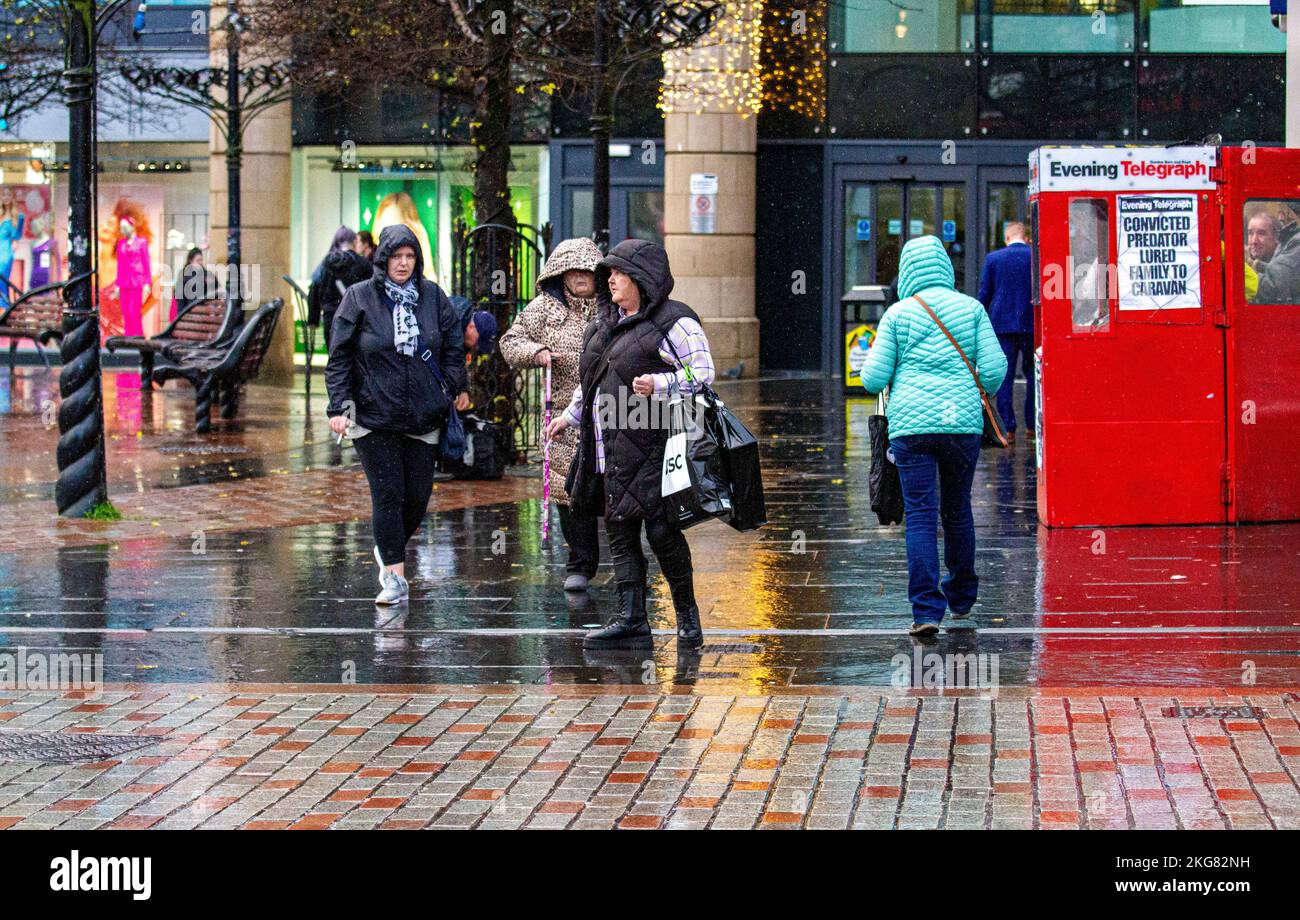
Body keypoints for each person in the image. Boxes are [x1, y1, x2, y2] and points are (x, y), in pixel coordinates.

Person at [548, 239, 715, 649]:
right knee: (621, 534)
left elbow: (704, 373)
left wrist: (661, 383)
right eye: (609, 274)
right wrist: (567, 418)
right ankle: (631, 620)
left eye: (619, 273)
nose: (611, 280)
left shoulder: (675, 322)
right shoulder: (603, 323)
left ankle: (688, 621)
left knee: (663, 534)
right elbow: (591, 382)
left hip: (657, 448)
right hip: (609, 451)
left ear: (644, 278)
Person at [861, 235, 1007, 637]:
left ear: (906, 272)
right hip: (961, 426)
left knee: (921, 517)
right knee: (958, 509)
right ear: (946, 267)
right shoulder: (972, 309)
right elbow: (995, 370)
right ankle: (961, 597)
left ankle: (926, 610)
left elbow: (872, 377)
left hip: (912, 429)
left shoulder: (897, 315)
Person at [325, 225, 467, 605]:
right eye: (396, 256)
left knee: (416, 499)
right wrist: (340, 407)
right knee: (388, 494)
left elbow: (453, 347)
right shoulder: (359, 298)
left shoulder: (433, 298)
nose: (403, 264)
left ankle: (387, 549)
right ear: (382, 259)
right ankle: (394, 578)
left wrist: (452, 386)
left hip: (423, 415)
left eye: (410, 257)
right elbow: (338, 357)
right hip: (373, 416)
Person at [500, 237, 603, 592]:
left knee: (612, 488)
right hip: (564, 418)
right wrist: (536, 351)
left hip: (609, 412)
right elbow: (510, 342)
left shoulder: (610, 308)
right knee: (569, 490)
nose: (580, 277)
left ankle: (624, 562)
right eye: (572, 270)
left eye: (587, 270)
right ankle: (580, 562)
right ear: (560, 272)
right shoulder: (543, 310)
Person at [976, 221, 1033, 444]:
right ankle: (1031, 425)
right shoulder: (1034, 256)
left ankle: (1008, 427)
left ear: (1006, 238)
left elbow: (984, 293)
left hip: (1001, 325)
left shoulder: (994, 259)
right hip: (1030, 324)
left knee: (1005, 377)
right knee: (1032, 375)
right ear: (1026, 238)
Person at [309, 226, 372, 350]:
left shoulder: (326, 263)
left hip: (331, 317)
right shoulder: (363, 264)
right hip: (356, 319)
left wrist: (313, 319)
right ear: (354, 242)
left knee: (334, 358)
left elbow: (314, 287)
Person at [1255, 210, 1300, 305]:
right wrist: (1257, 264)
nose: (1280, 218)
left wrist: (1246, 275)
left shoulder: (1297, 241)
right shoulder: (1290, 235)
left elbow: (1274, 287)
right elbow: (1284, 271)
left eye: (1286, 211)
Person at [171, 247, 219, 322]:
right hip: (190, 313)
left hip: (205, 313)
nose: (200, 262)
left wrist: (213, 282)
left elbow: (216, 289)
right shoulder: (184, 276)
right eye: (198, 260)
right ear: (191, 261)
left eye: (201, 260)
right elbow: (179, 298)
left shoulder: (207, 275)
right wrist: (180, 317)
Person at [0, 199, 25, 305]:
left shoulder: (17, 217)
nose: (6, 197)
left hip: (5, 252)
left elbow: (17, 236)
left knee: (2, 277)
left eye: (8, 195)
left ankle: (4, 306)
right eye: (4, 195)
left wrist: (15, 243)